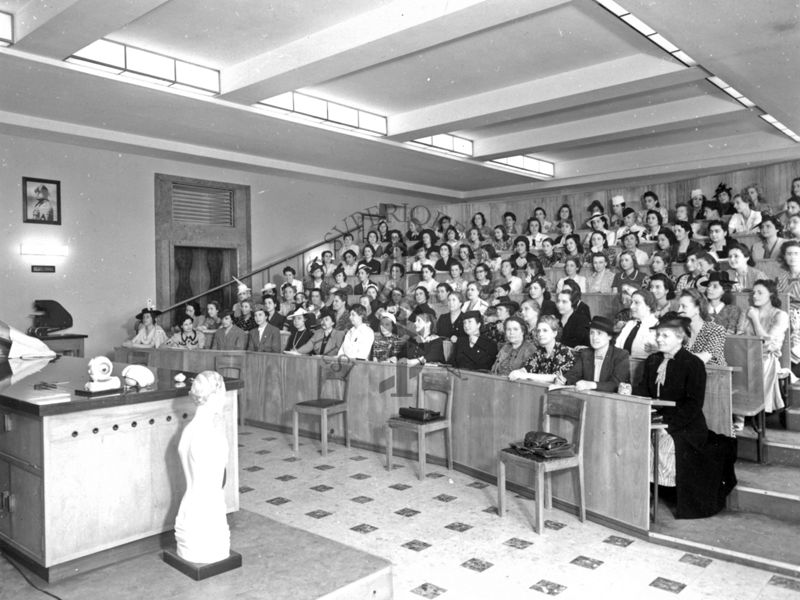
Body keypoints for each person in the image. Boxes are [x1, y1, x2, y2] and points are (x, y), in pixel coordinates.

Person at [633, 312, 737, 519]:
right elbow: (643, 391)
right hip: (655, 418)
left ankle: (668, 491)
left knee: (666, 442)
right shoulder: (652, 361)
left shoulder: (692, 364)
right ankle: (642, 493)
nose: (659, 339)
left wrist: (667, 425)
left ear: (680, 338)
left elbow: (693, 404)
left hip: (685, 424)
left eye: (665, 336)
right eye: (658, 335)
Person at [736, 279, 790, 415]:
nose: (754, 296)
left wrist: (755, 319)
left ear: (771, 295)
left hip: (767, 357)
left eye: (760, 293)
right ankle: (737, 410)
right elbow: (738, 338)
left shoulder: (780, 315)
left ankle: (751, 408)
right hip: (745, 354)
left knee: (758, 364)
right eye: (754, 293)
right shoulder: (747, 312)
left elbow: (767, 343)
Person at [563, 316, 630, 392]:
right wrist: (563, 380)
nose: (594, 337)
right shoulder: (586, 353)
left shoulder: (621, 355)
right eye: (592, 333)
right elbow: (573, 375)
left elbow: (616, 384)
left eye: (599, 333)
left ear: (609, 336)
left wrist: (592, 384)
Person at [509, 315, 575, 384]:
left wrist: (525, 375)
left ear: (554, 333)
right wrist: (517, 372)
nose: (540, 334)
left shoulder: (563, 351)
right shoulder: (539, 352)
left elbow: (555, 377)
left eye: (545, 330)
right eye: (539, 331)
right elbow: (527, 369)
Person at [677, 289, 726, 365]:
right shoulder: (680, 331)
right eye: (679, 306)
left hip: (713, 374)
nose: (679, 310)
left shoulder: (715, 330)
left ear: (698, 308)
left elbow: (703, 358)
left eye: (684, 306)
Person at [615, 289, 659, 359]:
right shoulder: (629, 324)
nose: (631, 306)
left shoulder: (657, 326)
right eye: (632, 302)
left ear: (649, 306)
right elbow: (617, 347)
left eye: (636, 303)